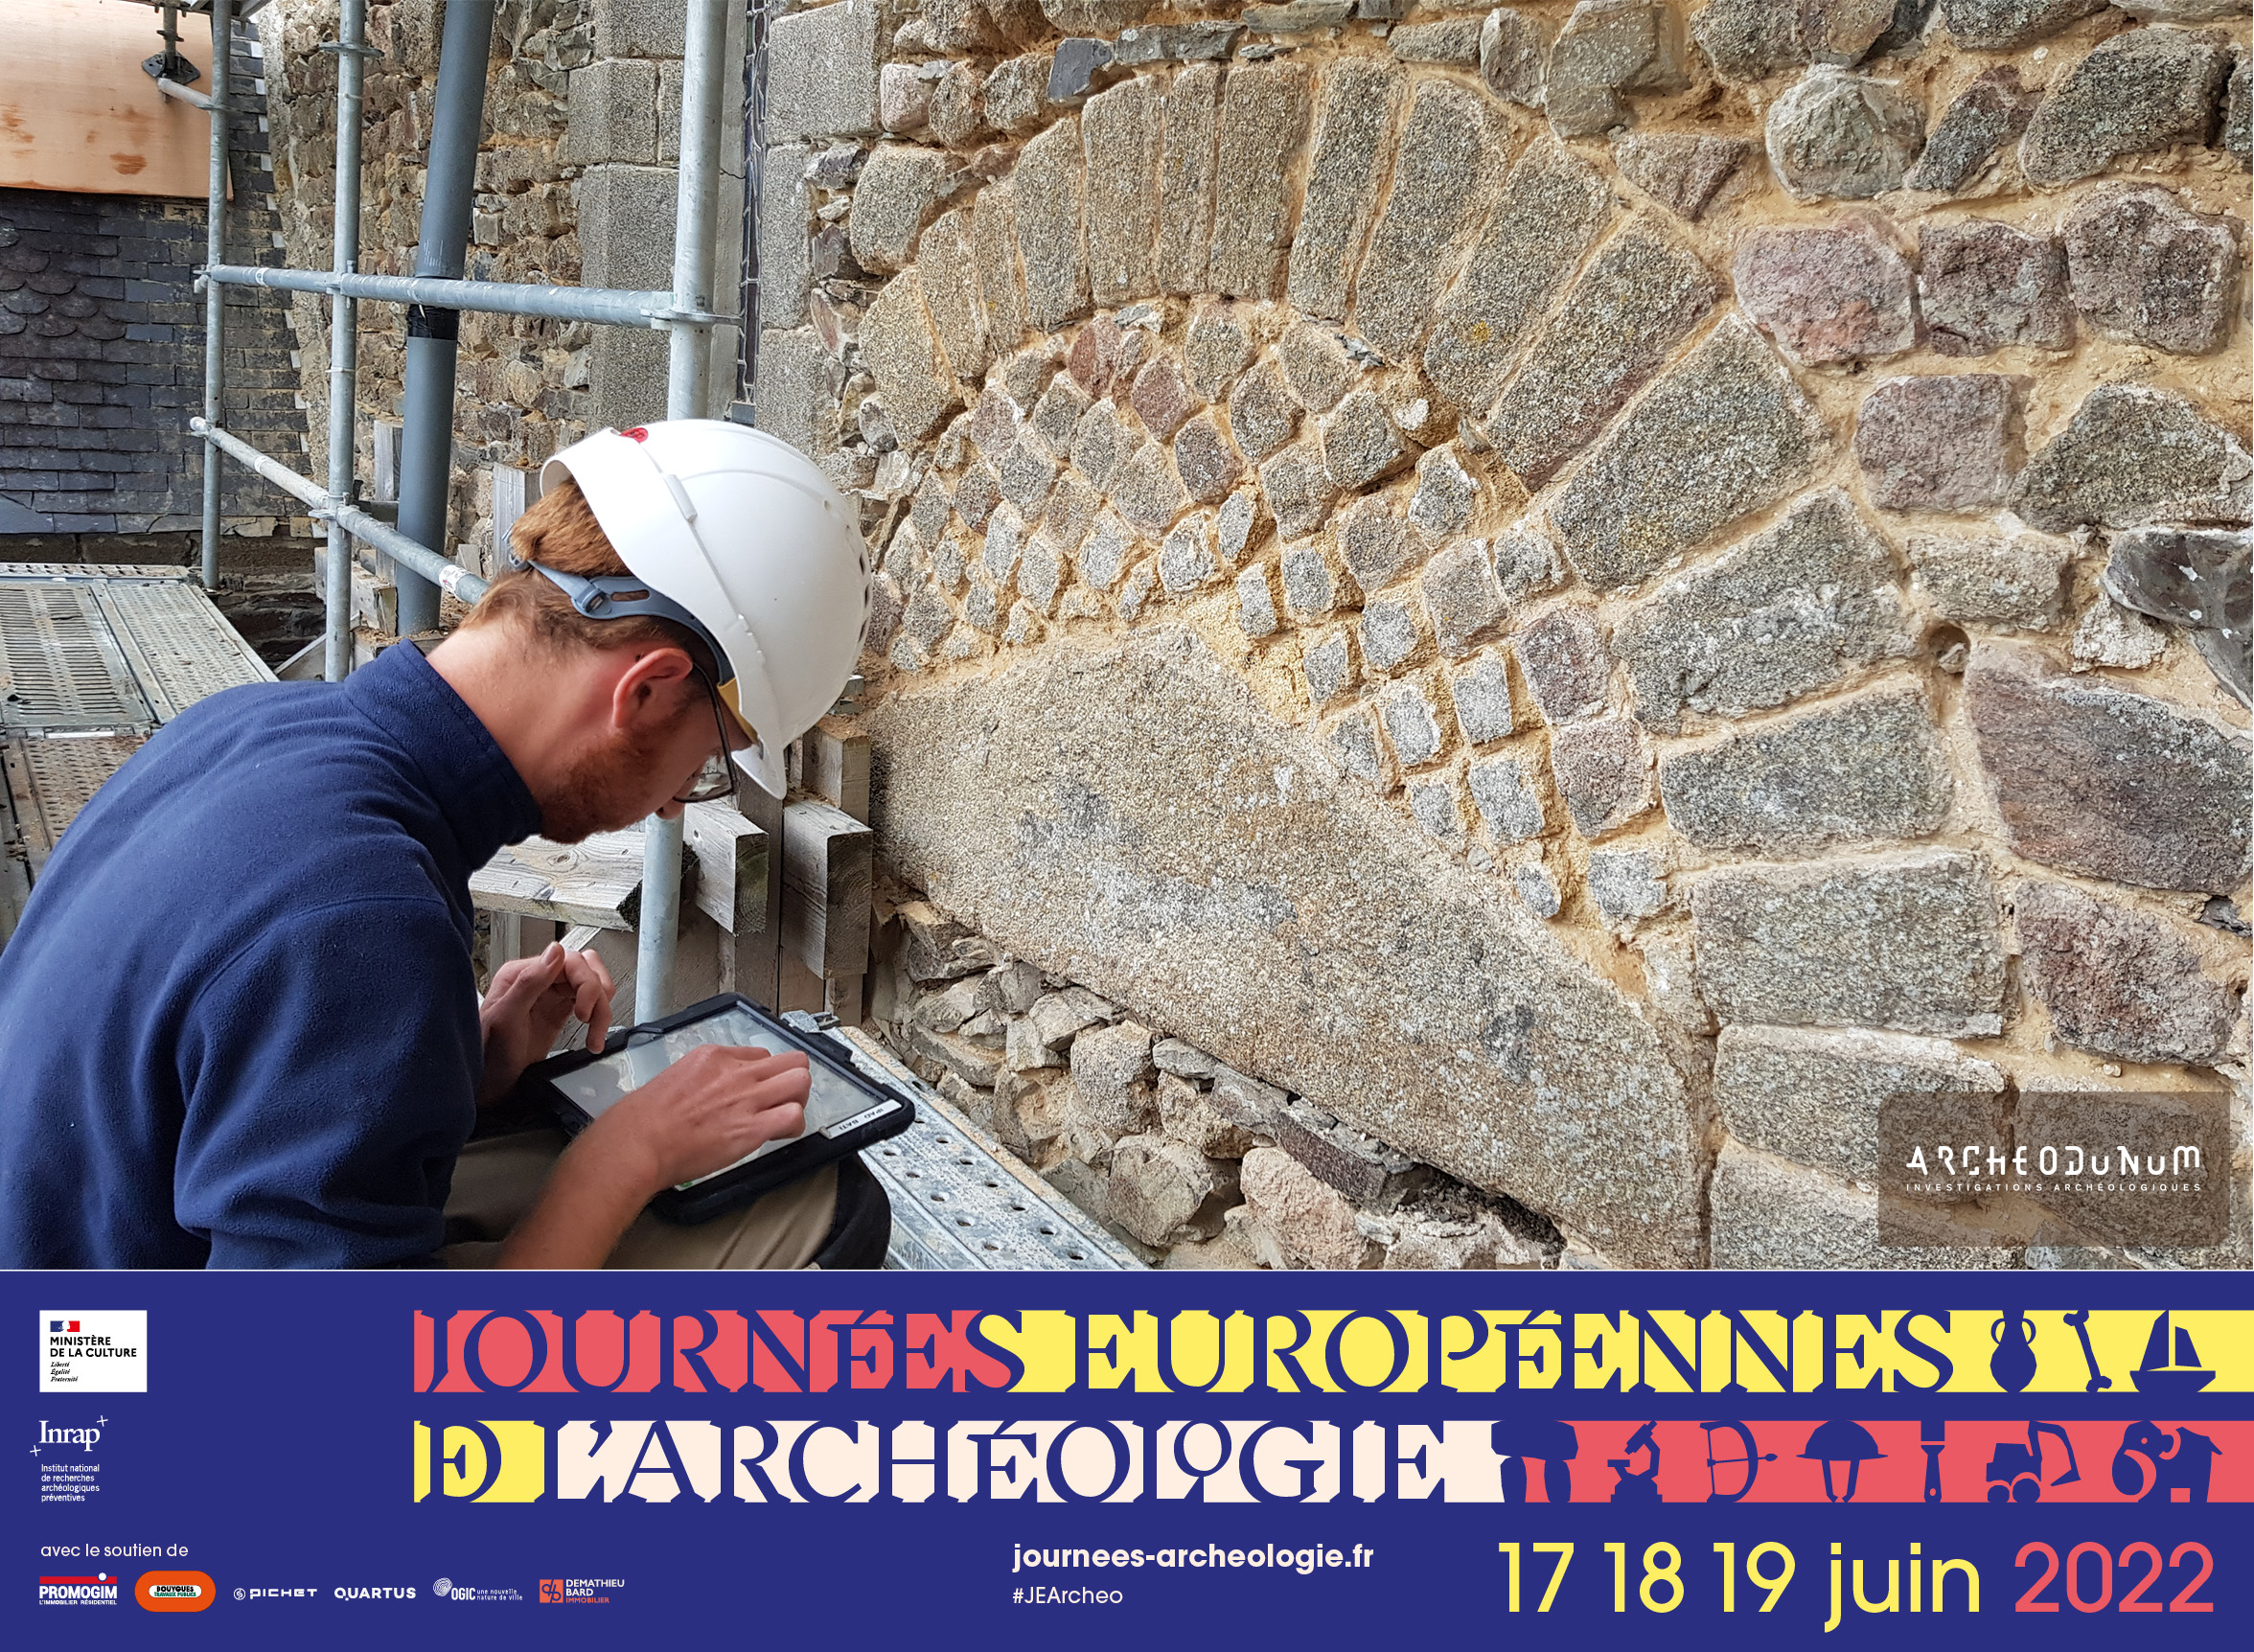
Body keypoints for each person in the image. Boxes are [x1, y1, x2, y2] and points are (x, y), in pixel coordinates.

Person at [0, 420, 879, 1270]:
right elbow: (311, 1364)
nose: (677, 802)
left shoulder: (250, 723)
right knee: (818, 1207)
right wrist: (626, 1156)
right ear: (646, 691)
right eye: (711, 759)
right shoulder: (361, 917)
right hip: (109, 1362)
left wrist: (463, 1062)